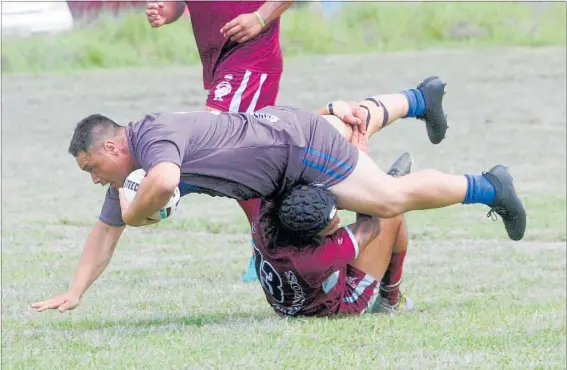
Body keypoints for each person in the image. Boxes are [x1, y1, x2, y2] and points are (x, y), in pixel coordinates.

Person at [31, 77, 525, 313]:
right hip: (282, 133)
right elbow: (105, 229)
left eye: (92, 167)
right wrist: (76, 290)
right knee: (345, 122)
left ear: (113, 146)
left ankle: (490, 187)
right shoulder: (130, 170)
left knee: (389, 199)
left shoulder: (153, 142)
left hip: (297, 149)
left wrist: (139, 214)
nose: (95, 179)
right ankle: (420, 99)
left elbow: (160, 186)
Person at [146, 0, 293, 282]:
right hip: (221, 63)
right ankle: (272, 245)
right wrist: (170, 10)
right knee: (242, 159)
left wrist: (261, 18)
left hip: (252, 57)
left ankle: (272, 245)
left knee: (215, 143)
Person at [240, 151, 414, 316]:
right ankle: (390, 300)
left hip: (296, 297)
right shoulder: (316, 259)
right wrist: (386, 185)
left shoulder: (265, 217)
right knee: (390, 213)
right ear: (313, 238)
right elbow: (372, 226)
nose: (338, 221)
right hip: (336, 305)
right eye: (330, 225)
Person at [145, 1, 292, 113]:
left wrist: (260, 18)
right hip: (218, 62)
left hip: (251, 55)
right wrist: (167, 10)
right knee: (240, 144)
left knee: (213, 135)